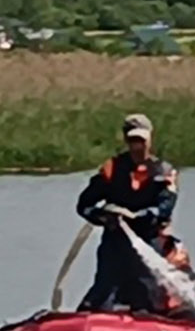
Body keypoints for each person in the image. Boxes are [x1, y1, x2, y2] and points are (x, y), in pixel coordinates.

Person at [75, 114, 189, 315]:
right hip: (115, 244)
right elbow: (84, 205)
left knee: (150, 295)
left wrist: (136, 216)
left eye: (141, 141)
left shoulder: (163, 172)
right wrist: (104, 216)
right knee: (103, 293)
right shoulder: (112, 169)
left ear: (150, 140)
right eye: (133, 141)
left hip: (149, 244)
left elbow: (164, 209)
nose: (137, 147)